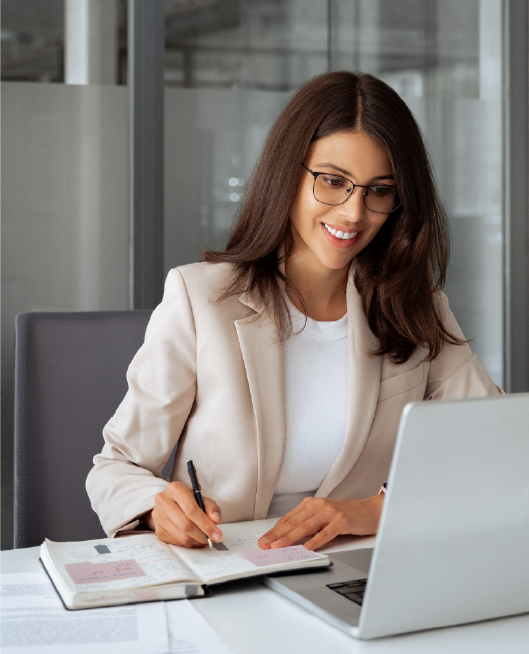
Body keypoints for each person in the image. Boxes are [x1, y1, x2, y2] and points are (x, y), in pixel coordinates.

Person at [87, 71, 501, 552]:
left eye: (379, 190)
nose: (353, 213)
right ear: (289, 173)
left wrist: (376, 510)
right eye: (333, 181)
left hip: (356, 576)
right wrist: (158, 505)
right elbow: (116, 466)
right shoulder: (200, 299)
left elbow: (489, 444)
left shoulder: (415, 304)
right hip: (228, 570)